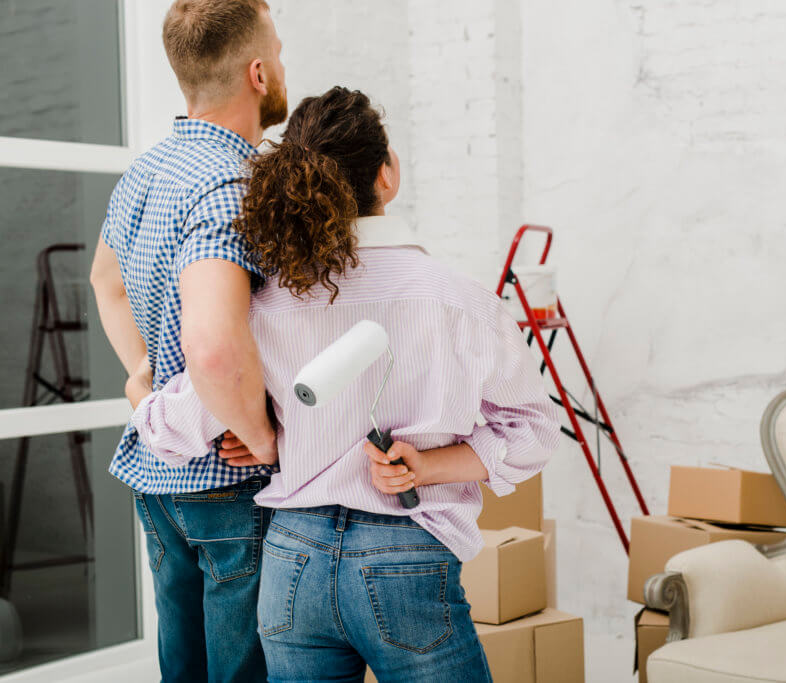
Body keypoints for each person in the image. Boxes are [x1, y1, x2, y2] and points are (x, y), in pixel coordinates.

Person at [127, 86, 560, 682]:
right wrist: (425, 467)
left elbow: (169, 428)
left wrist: (142, 393)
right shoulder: (461, 302)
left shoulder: (267, 304)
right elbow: (535, 431)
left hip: (290, 564)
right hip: (405, 556)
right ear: (387, 175)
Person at [88, 1, 287, 680]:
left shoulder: (146, 171)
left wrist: (148, 379)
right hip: (227, 484)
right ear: (258, 72)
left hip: (160, 480)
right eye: (280, 54)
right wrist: (257, 432)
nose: (284, 66)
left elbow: (104, 280)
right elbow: (210, 344)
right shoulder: (234, 184)